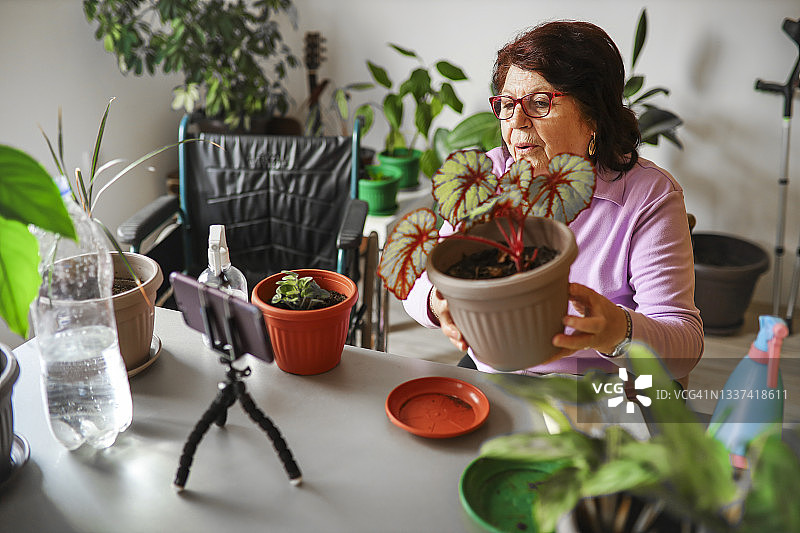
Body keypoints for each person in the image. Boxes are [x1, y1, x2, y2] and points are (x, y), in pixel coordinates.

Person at [402, 20, 703, 387]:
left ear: (593, 116)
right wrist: (438, 302)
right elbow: (421, 276)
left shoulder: (647, 197)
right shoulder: (486, 178)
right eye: (507, 105)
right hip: (497, 376)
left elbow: (685, 345)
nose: (517, 122)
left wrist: (616, 331)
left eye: (539, 103)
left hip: (596, 392)